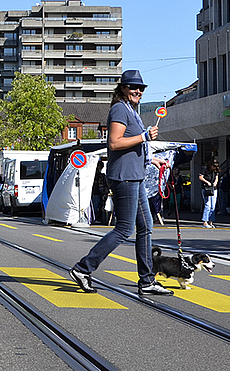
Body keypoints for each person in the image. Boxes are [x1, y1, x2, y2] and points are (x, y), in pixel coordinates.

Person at [68, 70, 173, 296]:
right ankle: (83, 268)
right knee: (125, 229)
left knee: (145, 227)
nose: (138, 91)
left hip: (134, 175)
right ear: (123, 88)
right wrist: (144, 137)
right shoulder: (119, 109)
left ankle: (146, 280)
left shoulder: (131, 110)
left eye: (141, 88)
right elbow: (114, 143)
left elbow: (132, 144)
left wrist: (150, 158)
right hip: (124, 177)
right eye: (134, 87)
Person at [199, 158, 219, 228]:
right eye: (213, 166)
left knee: (213, 206)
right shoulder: (205, 168)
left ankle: (211, 221)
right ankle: (205, 221)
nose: (214, 167)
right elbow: (200, 177)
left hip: (214, 188)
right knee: (208, 205)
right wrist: (207, 182)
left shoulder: (215, 171)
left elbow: (217, 176)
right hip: (206, 188)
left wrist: (215, 182)